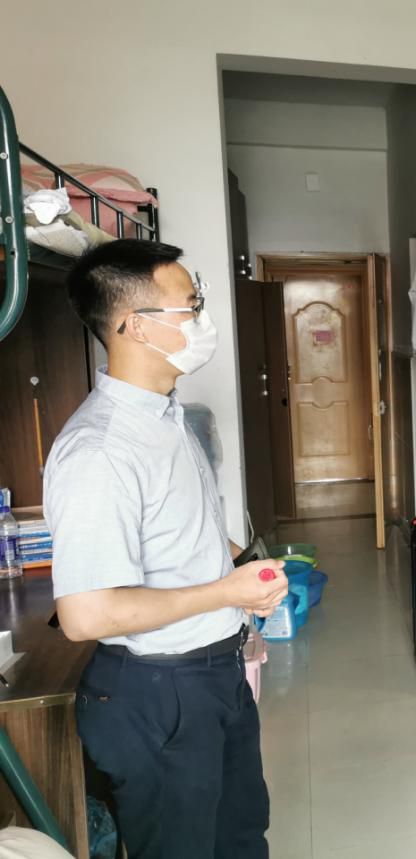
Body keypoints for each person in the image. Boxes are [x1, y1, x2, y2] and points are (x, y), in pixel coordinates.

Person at [43, 239, 289, 859]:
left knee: (241, 836)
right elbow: (86, 615)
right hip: (159, 692)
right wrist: (225, 591)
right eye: (191, 306)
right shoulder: (100, 450)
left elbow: (184, 526)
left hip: (214, 675)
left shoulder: (168, 416)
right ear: (135, 326)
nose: (203, 320)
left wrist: (244, 568)